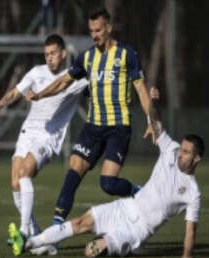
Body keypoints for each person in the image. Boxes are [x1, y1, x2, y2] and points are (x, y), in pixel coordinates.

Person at [12, 100, 205, 258]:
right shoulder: (171, 149)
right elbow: (155, 122)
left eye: (187, 152)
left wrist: (186, 255)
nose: (181, 154)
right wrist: (153, 102)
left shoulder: (193, 192)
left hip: (137, 230)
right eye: (182, 149)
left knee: (90, 251)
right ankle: (28, 243)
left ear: (196, 158)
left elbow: (191, 230)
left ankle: (118, 244)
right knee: (80, 222)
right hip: (126, 207)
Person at [27, 7, 158, 235]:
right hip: (93, 127)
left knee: (107, 183)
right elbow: (63, 81)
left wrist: (151, 119)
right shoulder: (87, 57)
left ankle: (140, 192)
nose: (94, 35)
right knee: (74, 169)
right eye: (91, 31)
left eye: (98, 30)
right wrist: (40, 94)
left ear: (108, 28)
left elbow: (140, 89)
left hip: (118, 127)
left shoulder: (127, 54)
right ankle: (57, 227)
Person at [0, 34, 88, 255]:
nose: (50, 58)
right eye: (46, 54)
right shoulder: (36, 72)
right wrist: (2, 102)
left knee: (25, 172)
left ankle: (24, 231)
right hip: (27, 133)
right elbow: (17, 91)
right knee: (15, 182)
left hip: (48, 138)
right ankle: (42, 240)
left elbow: (100, 86)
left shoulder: (75, 78)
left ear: (63, 53)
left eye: (53, 53)